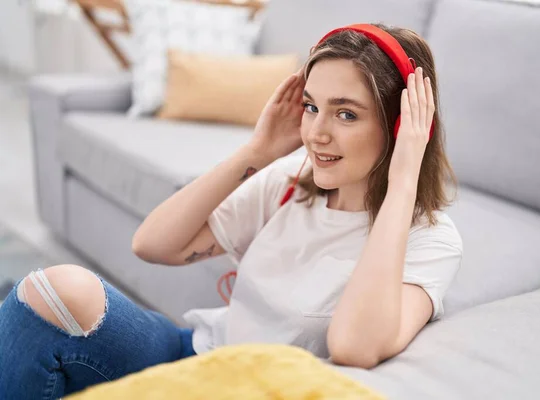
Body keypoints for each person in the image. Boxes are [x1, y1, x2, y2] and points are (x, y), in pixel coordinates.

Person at [0, 23, 463, 398]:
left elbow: (355, 346)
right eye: (311, 106)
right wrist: (257, 150)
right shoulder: (287, 188)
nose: (316, 133)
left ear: (402, 125)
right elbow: (153, 244)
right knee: (51, 289)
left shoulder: (430, 239)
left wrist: (404, 179)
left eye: (345, 114)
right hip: (196, 351)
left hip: (236, 386)